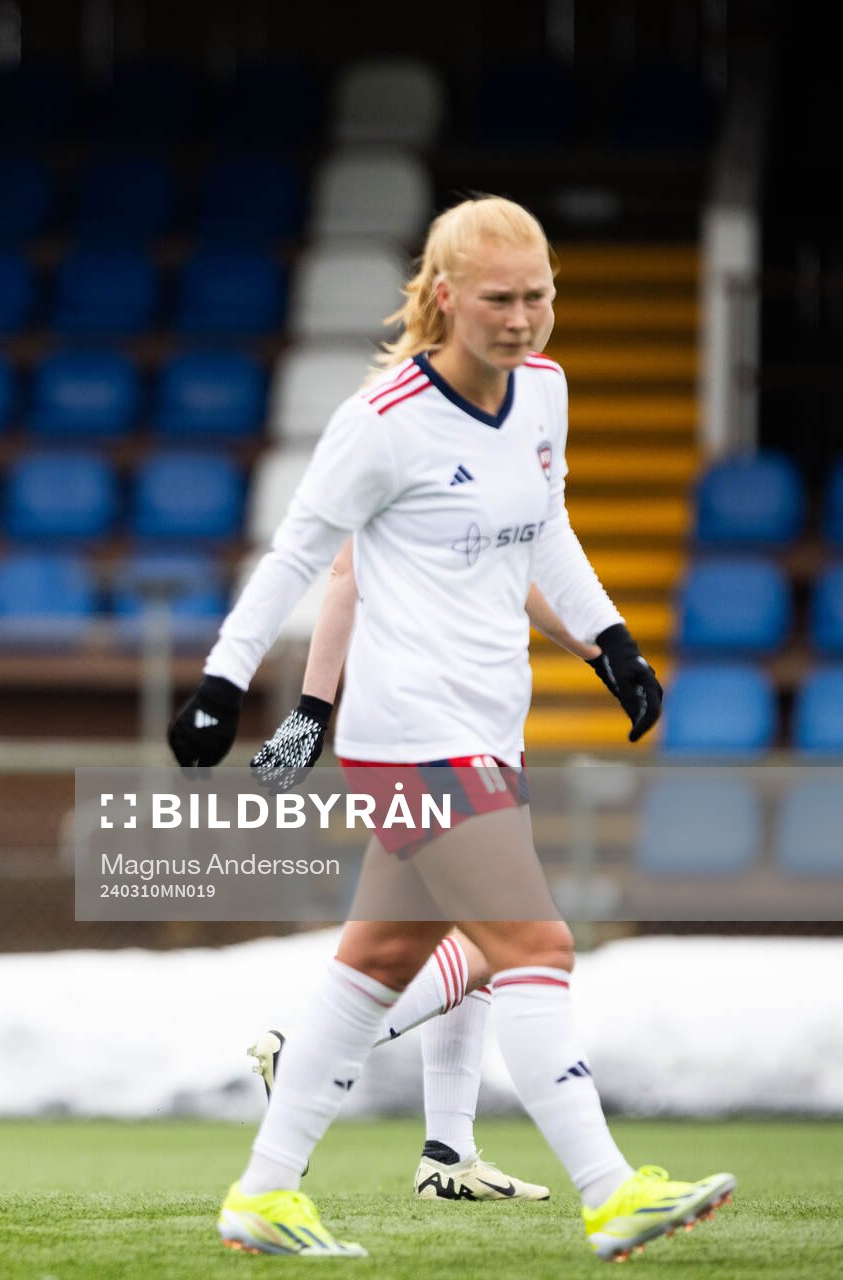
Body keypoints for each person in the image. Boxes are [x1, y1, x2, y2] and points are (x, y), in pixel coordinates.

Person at [167, 195, 732, 1261]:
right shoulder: (381, 421)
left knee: (377, 960)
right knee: (532, 941)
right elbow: (297, 554)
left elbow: (544, 520)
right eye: (498, 299)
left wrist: (611, 642)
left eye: (538, 296)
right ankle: (610, 1192)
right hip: (408, 731)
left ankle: (262, 1192)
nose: (522, 319)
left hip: (485, 719)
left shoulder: (545, 394)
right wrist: (221, 681)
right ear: (442, 297)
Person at [243, 543, 629, 1205]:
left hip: (481, 727)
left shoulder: (488, 465)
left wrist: (600, 653)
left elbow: (516, 578)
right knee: (508, 942)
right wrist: (312, 706)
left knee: (419, 947)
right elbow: (346, 570)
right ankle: (609, 1190)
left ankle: (446, 1153)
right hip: (434, 730)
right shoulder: (415, 446)